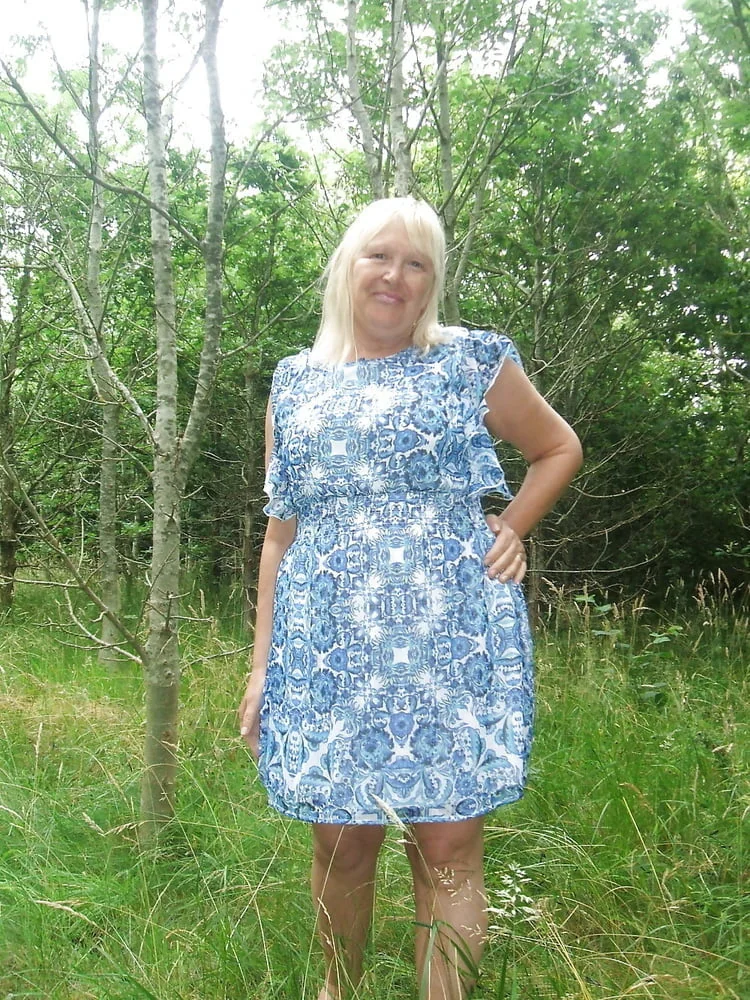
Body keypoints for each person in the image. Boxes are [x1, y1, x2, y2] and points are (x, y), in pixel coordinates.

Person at [239, 196, 583, 1000]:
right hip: (329, 647)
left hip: (452, 642)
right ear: (347, 268)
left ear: (432, 282)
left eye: (417, 263)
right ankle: (339, 990)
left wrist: (513, 526)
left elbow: (558, 447)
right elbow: (280, 535)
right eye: (380, 256)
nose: (395, 276)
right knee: (340, 844)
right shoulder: (295, 383)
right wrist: (261, 669)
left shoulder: (472, 362)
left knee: (448, 846)